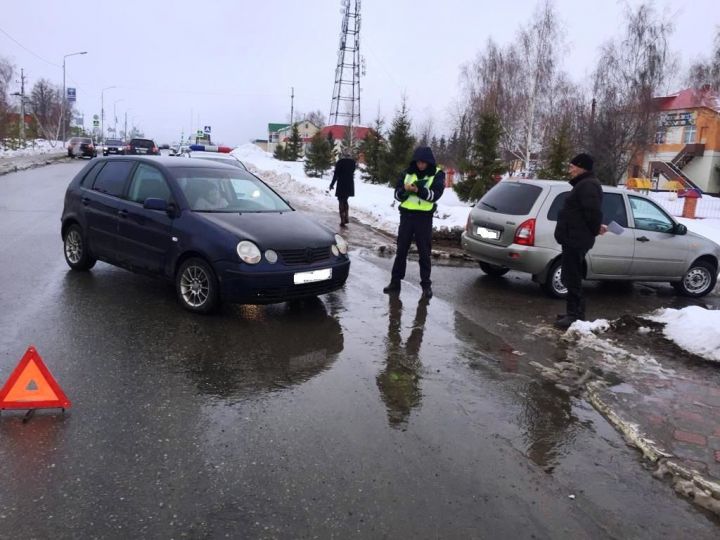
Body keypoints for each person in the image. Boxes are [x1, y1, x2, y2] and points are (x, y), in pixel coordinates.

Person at [383, 146, 445, 298]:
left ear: (429, 162)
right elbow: (397, 194)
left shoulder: (437, 174)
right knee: (401, 251)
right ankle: (395, 282)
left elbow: (435, 195)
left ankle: (426, 286)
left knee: (424, 253)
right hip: (406, 216)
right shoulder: (407, 172)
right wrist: (404, 191)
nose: (420, 165)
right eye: (418, 162)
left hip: (424, 218)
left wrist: (419, 190)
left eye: (424, 162)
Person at [554, 153, 605, 329]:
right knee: (570, 276)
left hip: (576, 239)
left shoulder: (588, 185)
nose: (570, 169)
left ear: (582, 167)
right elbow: (585, 213)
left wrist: (594, 229)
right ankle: (575, 313)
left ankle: (574, 315)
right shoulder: (584, 184)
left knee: (572, 277)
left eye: (572, 166)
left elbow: (593, 213)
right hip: (573, 237)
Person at [329, 151, 356, 227]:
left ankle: (342, 220)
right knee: (345, 200)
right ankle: (346, 217)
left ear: (343, 155)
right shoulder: (353, 163)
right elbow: (352, 171)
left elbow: (336, 174)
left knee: (340, 200)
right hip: (350, 184)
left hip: (341, 183)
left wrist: (332, 184)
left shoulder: (340, 162)